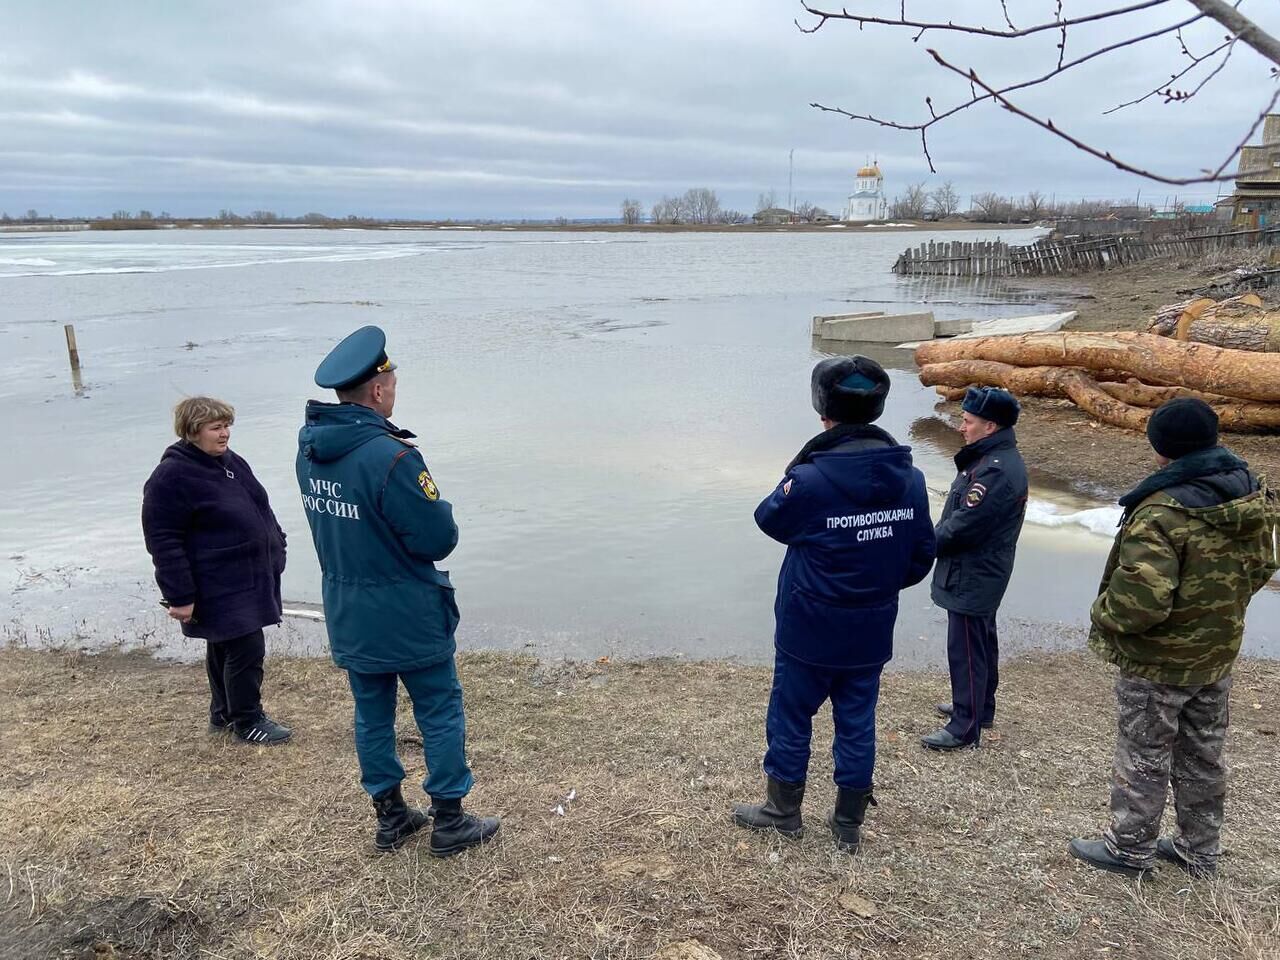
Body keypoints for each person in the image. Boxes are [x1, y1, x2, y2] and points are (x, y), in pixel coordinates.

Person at [295, 325, 499, 856]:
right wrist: (444, 510)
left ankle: (390, 816)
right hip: (405, 607)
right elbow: (437, 537)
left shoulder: (310, 452)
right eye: (392, 381)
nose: (394, 389)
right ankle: (449, 819)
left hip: (348, 606)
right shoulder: (390, 458)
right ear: (379, 390)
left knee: (371, 712)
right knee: (439, 708)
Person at [1070, 398, 1280, 878]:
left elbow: (1139, 604)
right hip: (1216, 650)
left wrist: (1102, 614)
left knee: (1144, 751)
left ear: (1161, 450)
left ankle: (1129, 849)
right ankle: (1199, 848)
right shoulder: (1252, 493)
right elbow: (1264, 564)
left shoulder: (1162, 511)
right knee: (1204, 752)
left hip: (1159, 660)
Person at [732, 356, 936, 851]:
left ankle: (783, 809)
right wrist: (874, 587)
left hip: (810, 625)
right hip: (870, 626)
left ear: (822, 407)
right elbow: (920, 556)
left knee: (790, 714)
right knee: (857, 718)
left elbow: (768, 519)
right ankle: (847, 824)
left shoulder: (812, 480)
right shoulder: (908, 477)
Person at [142, 396, 292, 746]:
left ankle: (223, 713)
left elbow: (261, 506)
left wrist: (277, 543)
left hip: (248, 575)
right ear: (193, 431)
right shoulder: (171, 477)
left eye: (227, 426)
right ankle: (248, 720)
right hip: (217, 581)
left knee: (224, 645)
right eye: (216, 427)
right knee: (246, 647)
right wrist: (179, 595)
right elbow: (163, 540)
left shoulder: (229, 461)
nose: (224, 434)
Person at [922, 386, 1027, 751]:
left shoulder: (995, 472)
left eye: (967, 422)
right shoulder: (990, 460)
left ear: (990, 426)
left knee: (966, 646)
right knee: (981, 640)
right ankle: (980, 707)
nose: (961, 427)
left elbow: (963, 526)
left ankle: (964, 726)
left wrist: (920, 546)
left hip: (974, 571)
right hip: (982, 569)